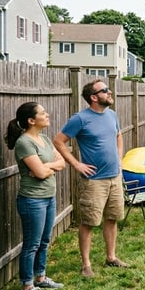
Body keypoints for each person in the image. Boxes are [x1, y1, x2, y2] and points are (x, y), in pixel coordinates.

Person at [53, 79, 129, 278]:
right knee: (88, 222)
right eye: (105, 90)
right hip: (94, 181)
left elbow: (118, 136)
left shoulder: (112, 115)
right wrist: (76, 164)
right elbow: (58, 141)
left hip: (115, 177)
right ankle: (86, 264)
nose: (110, 92)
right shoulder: (80, 119)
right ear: (94, 97)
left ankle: (111, 257)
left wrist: (120, 159)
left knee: (112, 218)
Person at [4, 102, 66, 290]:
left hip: (48, 197)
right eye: (42, 113)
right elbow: (38, 174)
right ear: (31, 120)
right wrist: (46, 168)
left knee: (44, 241)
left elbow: (62, 163)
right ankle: (27, 287)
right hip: (32, 201)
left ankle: (40, 277)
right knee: (32, 244)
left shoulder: (45, 139)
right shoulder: (25, 143)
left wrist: (46, 165)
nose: (47, 115)